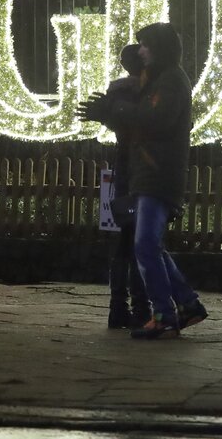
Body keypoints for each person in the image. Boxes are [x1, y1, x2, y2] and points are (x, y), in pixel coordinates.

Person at [83, 23, 207, 340]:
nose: (140, 51)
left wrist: (114, 108)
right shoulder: (159, 81)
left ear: (160, 48)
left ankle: (164, 314)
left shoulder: (171, 82)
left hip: (157, 175)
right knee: (151, 245)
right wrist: (110, 113)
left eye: (145, 45)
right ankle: (188, 305)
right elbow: (140, 121)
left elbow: (155, 120)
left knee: (145, 245)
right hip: (148, 173)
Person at [80, 44, 149, 329]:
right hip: (142, 170)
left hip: (123, 168)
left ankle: (118, 306)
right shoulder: (148, 92)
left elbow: (116, 124)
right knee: (139, 242)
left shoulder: (117, 93)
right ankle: (140, 307)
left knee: (122, 241)